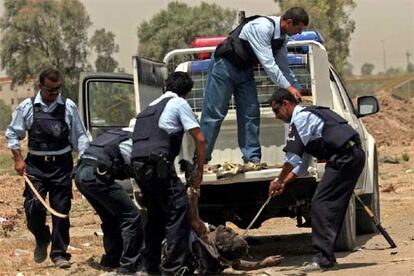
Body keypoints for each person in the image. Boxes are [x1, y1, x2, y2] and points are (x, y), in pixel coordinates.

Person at [267, 89, 366, 272]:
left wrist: (278, 180)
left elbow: (291, 159)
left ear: (286, 105)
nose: (276, 116)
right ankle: (326, 257)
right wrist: (283, 182)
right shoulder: (307, 115)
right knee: (329, 205)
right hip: (349, 157)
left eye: (276, 110)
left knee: (321, 204)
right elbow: (301, 166)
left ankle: (323, 260)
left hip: (345, 157)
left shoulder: (301, 119)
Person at [200, 7, 309, 168]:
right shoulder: (262, 27)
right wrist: (289, 88)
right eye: (298, 29)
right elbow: (269, 65)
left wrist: (297, 88)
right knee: (214, 113)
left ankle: (252, 159)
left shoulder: (282, 38)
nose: (299, 33)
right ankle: (201, 160)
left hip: (244, 70)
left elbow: (283, 67)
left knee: (250, 113)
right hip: (224, 66)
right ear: (288, 22)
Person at [5, 67, 89, 268]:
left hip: (61, 166)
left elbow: (80, 136)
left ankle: (59, 254)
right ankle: (42, 237)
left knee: (61, 211)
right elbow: (12, 134)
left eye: (57, 90)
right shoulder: (27, 107)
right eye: (50, 91)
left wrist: (84, 160)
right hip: (36, 167)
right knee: (32, 207)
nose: (54, 95)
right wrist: (18, 159)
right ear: (40, 86)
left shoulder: (68, 107)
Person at [131, 71, 205, 275]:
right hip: (157, 167)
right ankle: (173, 268)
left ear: (164, 87)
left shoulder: (148, 109)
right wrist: (199, 171)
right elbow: (199, 138)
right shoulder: (179, 103)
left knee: (155, 216)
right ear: (187, 93)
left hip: (139, 169)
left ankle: (148, 267)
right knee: (178, 213)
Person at [73, 128, 143, 274]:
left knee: (111, 218)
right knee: (131, 217)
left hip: (81, 174)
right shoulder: (134, 142)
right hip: (96, 176)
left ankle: (112, 260)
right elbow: (139, 174)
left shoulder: (115, 135)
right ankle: (129, 265)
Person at [183, 187, 283, 275]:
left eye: (229, 234)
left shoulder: (205, 241)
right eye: (234, 234)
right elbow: (239, 265)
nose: (229, 229)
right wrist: (263, 263)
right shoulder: (223, 258)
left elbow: (194, 220)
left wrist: (194, 195)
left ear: (219, 244)